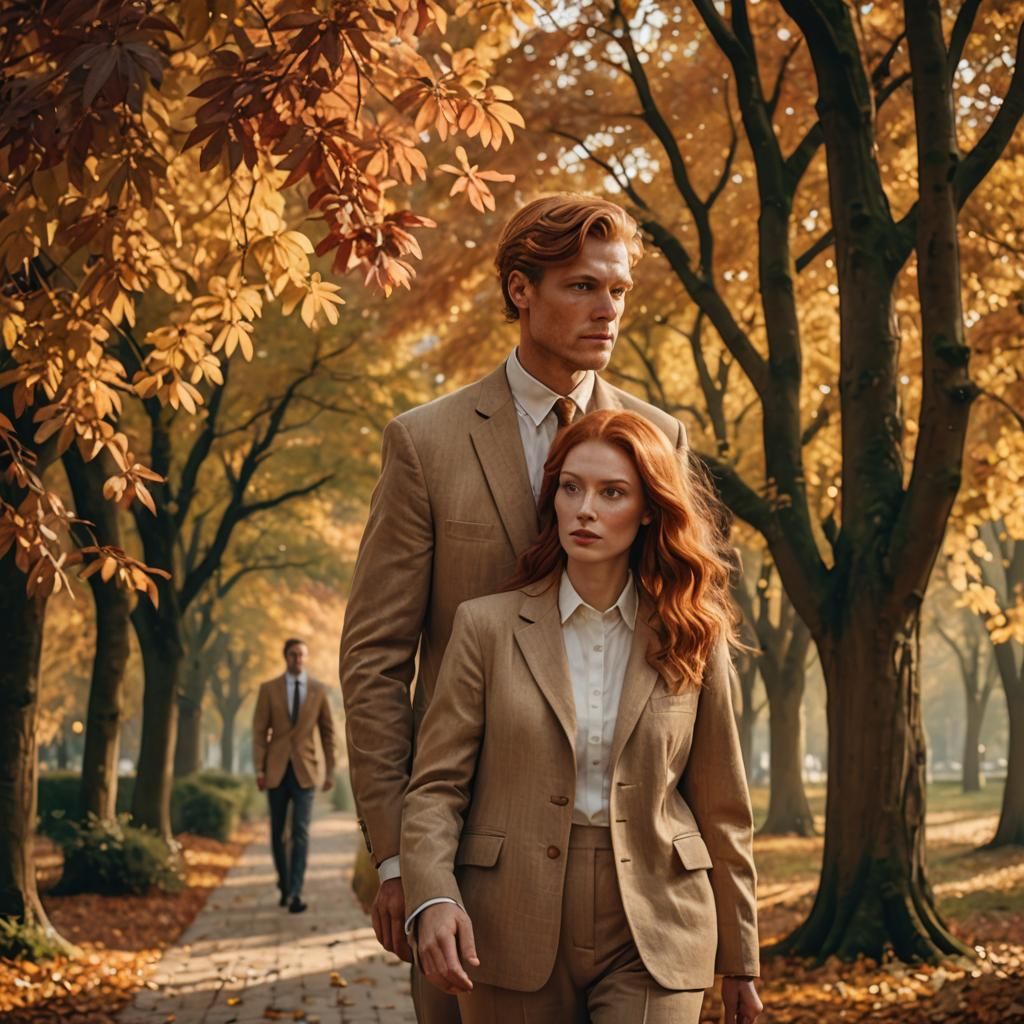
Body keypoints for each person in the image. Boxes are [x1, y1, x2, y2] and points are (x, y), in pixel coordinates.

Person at [339, 193, 688, 1024]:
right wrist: (397, 861)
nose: (608, 309)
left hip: (633, 874)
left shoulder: (659, 437)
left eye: (619, 289)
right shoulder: (425, 442)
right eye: (581, 286)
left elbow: (686, 638)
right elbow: (376, 659)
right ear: (520, 289)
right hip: (466, 867)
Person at [401, 410, 762, 1024]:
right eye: (571, 487)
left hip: (657, 916)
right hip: (507, 918)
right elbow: (436, 789)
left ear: (650, 508)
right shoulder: (486, 627)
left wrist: (742, 957)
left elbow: (723, 803)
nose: (584, 509)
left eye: (611, 492)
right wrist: (433, 895)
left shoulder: (694, 636)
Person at [253, 637, 336, 913]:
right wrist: (259, 768)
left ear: (306, 658)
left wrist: (330, 770)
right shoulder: (268, 689)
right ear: (285, 656)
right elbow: (259, 732)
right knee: (278, 833)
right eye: (292, 654)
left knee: (300, 832)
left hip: (306, 771)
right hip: (276, 771)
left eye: (301, 655)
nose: (297, 659)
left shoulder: (318, 690)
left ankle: (296, 893)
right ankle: (284, 885)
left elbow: (328, 733)